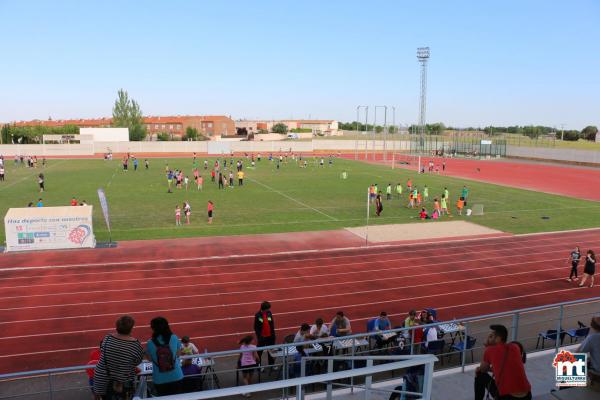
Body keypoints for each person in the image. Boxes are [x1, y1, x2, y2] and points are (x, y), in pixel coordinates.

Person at [93, 316, 144, 400]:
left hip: (102, 378)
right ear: (131, 328)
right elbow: (138, 361)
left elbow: (103, 351)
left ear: (117, 327)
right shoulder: (134, 344)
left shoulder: (108, 338)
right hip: (122, 382)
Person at [475, 324, 531, 400]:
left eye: (491, 336)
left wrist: (487, 347)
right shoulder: (515, 347)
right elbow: (507, 366)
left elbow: (482, 369)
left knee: (480, 375)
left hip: (507, 397)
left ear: (498, 339)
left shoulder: (490, 350)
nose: (488, 339)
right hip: (527, 395)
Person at [146, 316, 184, 396]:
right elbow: (178, 355)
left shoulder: (149, 343)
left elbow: (149, 359)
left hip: (159, 379)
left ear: (153, 328)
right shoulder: (174, 337)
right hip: (176, 376)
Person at [254, 301, 276, 371]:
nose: (269, 310)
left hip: (270, 337)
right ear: (264, 308)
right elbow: (256, 327)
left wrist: (273, 334)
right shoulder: (257, 315)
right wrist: (259, 336)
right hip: (262, 338)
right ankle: (259, 366)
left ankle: (271, 365)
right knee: (259, 352)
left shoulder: (269, 313)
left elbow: (271, 323)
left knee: (271, 352)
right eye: (268, 308)